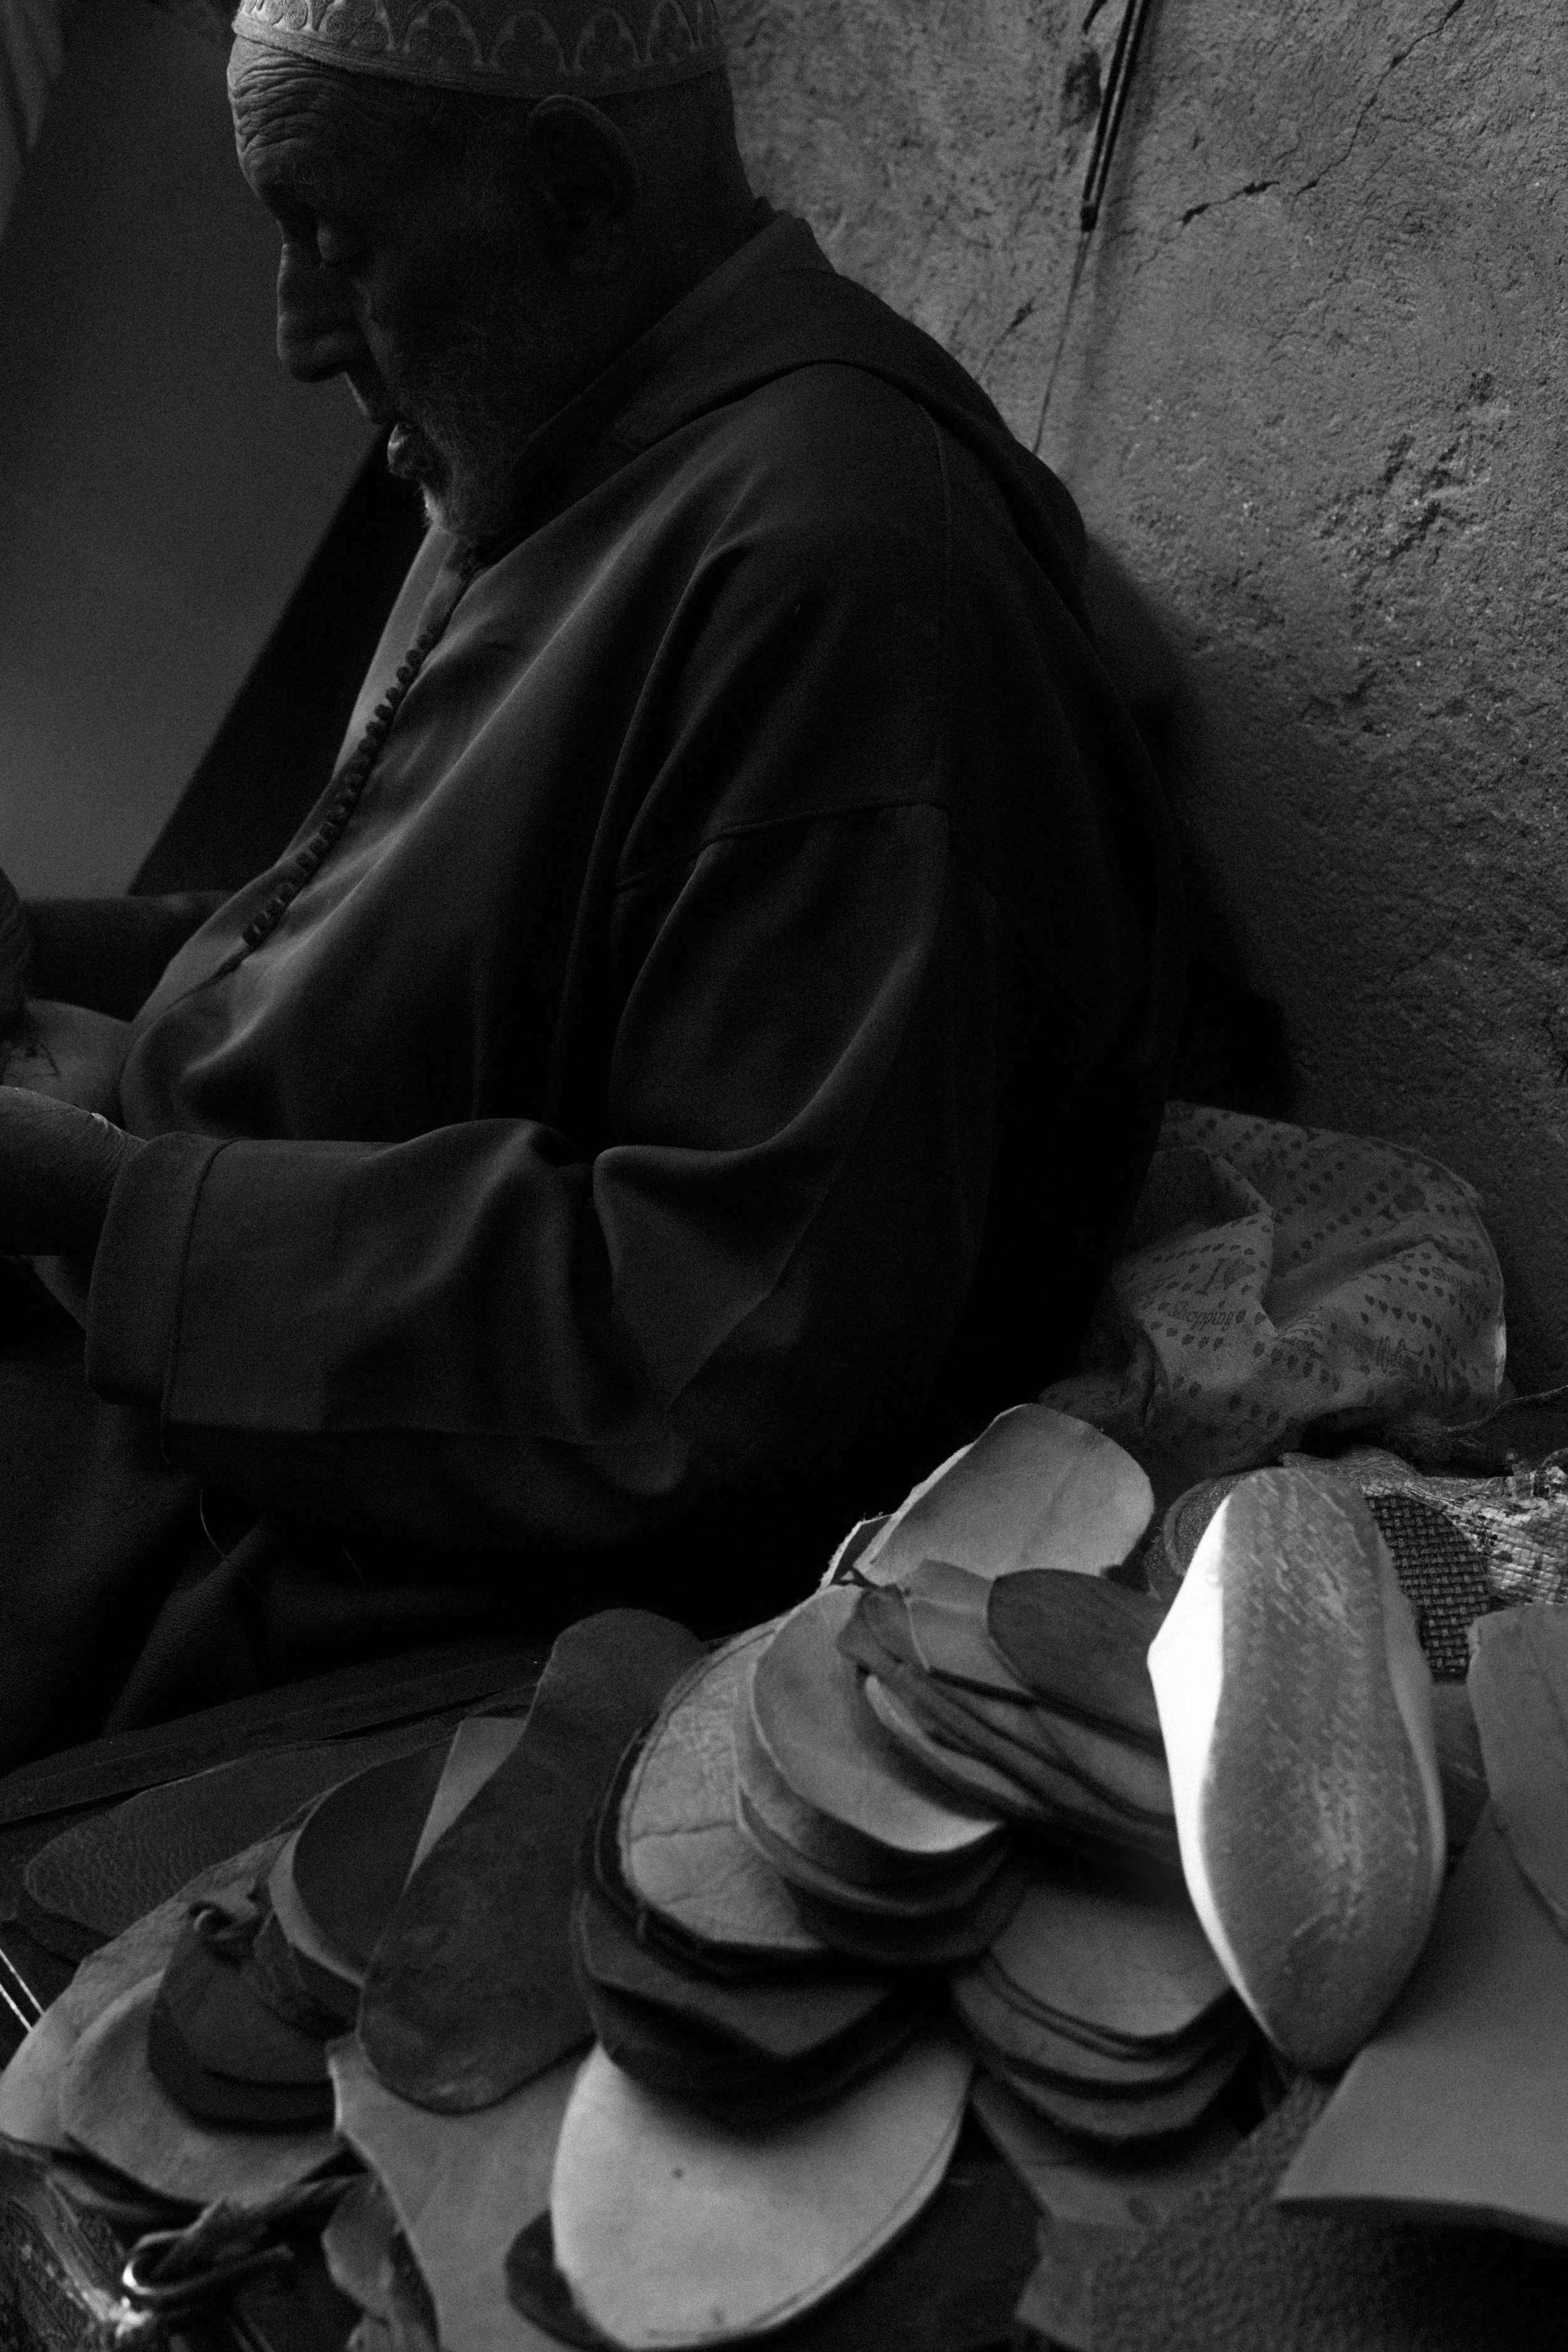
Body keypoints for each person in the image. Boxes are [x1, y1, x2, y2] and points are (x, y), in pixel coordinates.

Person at [0, 0, 1184, 1764]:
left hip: (338, 1536)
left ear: (568, 192)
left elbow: (720, 1351)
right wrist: (44, 949)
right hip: (215, 1372)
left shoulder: (840, 574)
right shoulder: (571, 450)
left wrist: (104, 1212)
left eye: (336, 239)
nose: (296, 332)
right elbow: (369, 918)